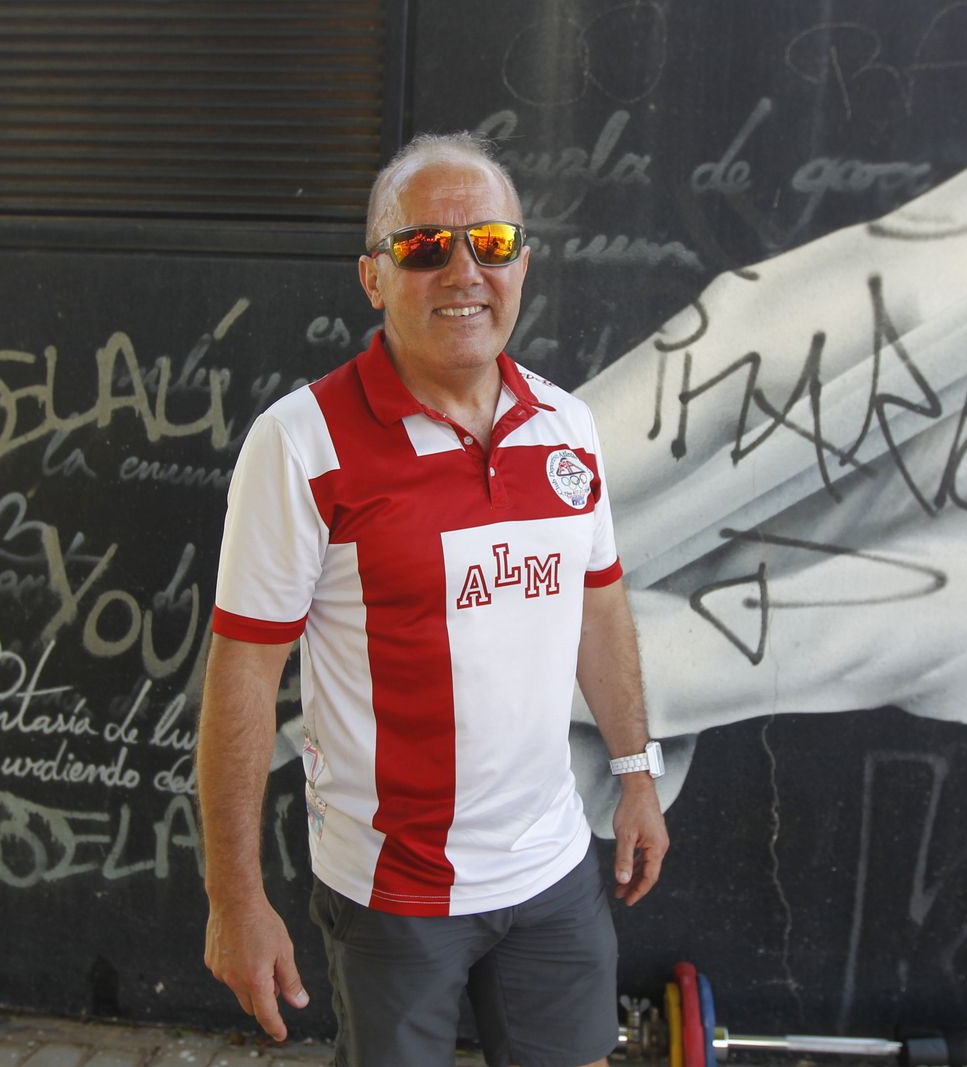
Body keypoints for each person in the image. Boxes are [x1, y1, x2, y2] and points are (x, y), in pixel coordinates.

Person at [197, 130, 669, 1067]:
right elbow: (244, 675)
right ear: (373, 276)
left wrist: (638, 774)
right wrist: (235, 900)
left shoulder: (568, 426)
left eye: (490, 243)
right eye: (423, 246)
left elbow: (599, 609)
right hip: (393, 895)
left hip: (554, 868)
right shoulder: (301, 443)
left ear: (523, 264)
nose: (463, 269)